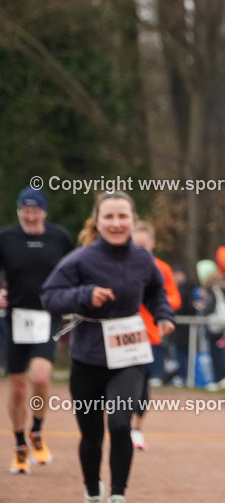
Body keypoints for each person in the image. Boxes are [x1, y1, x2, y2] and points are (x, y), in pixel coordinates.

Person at [40, 191, 174, 503]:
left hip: (129, 354)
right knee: (91, 435)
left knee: (120, 424)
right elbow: (49, 295)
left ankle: (117, 494)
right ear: (97, 221)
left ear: (133, 220)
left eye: (123, 216)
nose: (116, 223)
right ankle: (92, 490)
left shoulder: (143, 258)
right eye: (109, 217)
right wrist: (84, 295)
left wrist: (163, 315)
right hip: (87, 357)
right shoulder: (81, 259)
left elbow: (156, 290)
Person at [0, 187, 73, 474]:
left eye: (35, 211)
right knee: (18, 388)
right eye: (25, 211)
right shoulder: (6, 238)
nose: (30, 217)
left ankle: (37, 431)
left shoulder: (59, 237)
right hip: (16, 318)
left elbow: (75, 268)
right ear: (19, 211)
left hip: (47, 316)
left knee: (40, 377)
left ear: (44, 212)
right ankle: (20, 445)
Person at [129, 221, 181, 450]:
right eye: (136, 244)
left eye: (144, 244)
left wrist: (157, 303)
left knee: (143, 382)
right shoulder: (120, 264)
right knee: (123, 381)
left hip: (150, 335)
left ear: (152, 243)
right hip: (123, 334)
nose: (140, 248)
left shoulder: (162, 268)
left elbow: (175, 299)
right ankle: (121, 425)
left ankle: (137, 428)